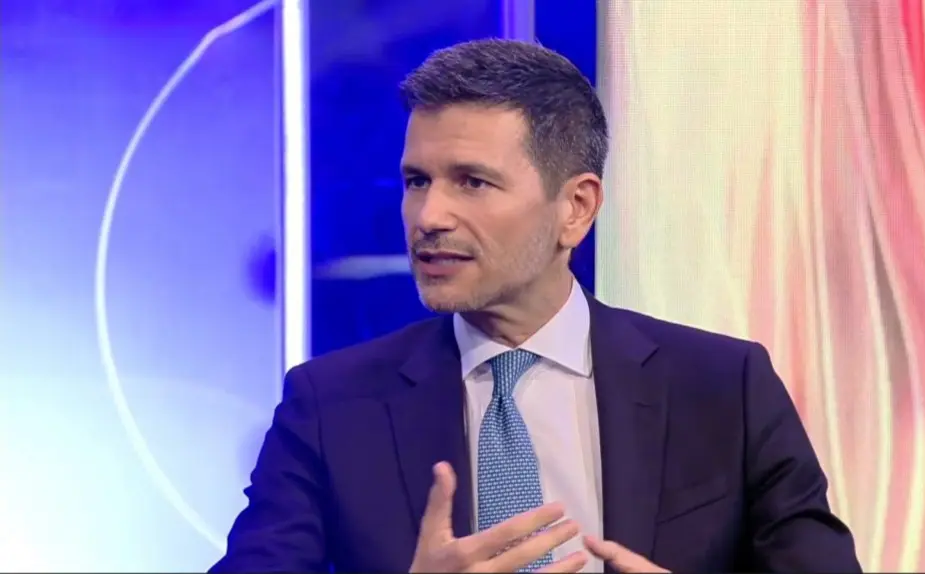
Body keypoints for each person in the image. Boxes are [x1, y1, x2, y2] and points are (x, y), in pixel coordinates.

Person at [210, 39, 861, 573]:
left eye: (472, 182)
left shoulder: (722, 387)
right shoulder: (330, 405)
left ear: (576, 207)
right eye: (417, 181)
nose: (429, 216)